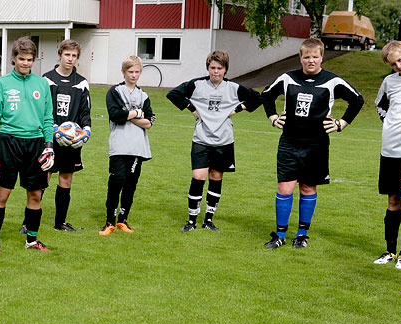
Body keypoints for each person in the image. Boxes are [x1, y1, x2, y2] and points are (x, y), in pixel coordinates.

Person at [261, 38, 364, 249]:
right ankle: (280, 235)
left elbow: (357, 99)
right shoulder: (287, 78)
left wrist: (341, 123)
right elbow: (266, 95)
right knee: (285, 188)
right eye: (306, 57)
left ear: (321, 57)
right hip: (289, 142)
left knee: (308, 188)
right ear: (300, 58)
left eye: (315, 57)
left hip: (316, 145)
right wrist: (272, 117)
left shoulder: (332, 81)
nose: (310, 61)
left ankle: (301, 235)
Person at [167, 50, 261, 232]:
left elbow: (257, 98)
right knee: (198, 177)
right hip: (201, 140)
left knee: (216, 178)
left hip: (224, 141)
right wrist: (191, 107)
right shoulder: (197, 85)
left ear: (225, 69)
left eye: (219, 68)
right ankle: (191, 221)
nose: (215, 72)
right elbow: (173, 94)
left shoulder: (233, 87)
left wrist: (239, 109)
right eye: (212, 68)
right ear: (208, 68)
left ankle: (208, 220)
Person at [0, 37, 54, 256]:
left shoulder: (42, 84)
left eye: (30, 60)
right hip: (8, 142)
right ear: (13, 58)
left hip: (35, 144)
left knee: (35, 196)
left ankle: (32, 240)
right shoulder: (1, 84)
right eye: (22, 59)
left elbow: (48, 118)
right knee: (2, 195)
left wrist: (48, 145)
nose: (25, 63)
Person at [99, 55, 155, 235]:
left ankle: (123, 220)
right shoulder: (114, 91)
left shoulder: (143, 95)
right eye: (130, 72)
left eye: (137, 72)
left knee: (130, 184)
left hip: (138, 147)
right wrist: (138, 113)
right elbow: (115, 115)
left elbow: (149, 122)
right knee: (116, 182)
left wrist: (131, 114)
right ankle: (109, 222)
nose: (134, 75)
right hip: (118, 145)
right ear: (124, 72)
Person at [41, 39, 91, 232]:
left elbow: (85, 111)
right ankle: (28, 222)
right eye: (67, 55)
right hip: (49, 138)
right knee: (44, 178)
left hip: (71, 141)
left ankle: (60, 223)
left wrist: (86, 130)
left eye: (74, 56)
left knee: (66, 180)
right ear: (60, 54)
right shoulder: (47, 79)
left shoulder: (81, 83)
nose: (70, 59)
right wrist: (53, 128)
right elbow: (42, 109)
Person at [373, 41, 401, 268]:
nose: (398, 65)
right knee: (393, 200)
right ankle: (390, 251)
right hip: (389, 150)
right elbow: (380, 105)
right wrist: (389, 124)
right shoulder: (389, 82)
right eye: (393, 64)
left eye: (400, 60)